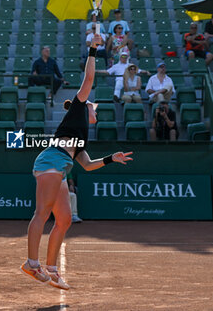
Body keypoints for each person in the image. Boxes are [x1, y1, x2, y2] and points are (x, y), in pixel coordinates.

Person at [20, 34, 133, 290]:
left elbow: (88, 165)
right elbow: (89, 79)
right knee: (42, 213)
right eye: (95, 108)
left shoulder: (81, 137)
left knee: (65, 220)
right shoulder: (78, 108)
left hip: (61, 165)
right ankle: (31, 263)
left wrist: (111, 159)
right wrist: (93, 49)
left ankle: (51, 269)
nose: (97, 111)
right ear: (86, 106)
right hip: (51, 159)